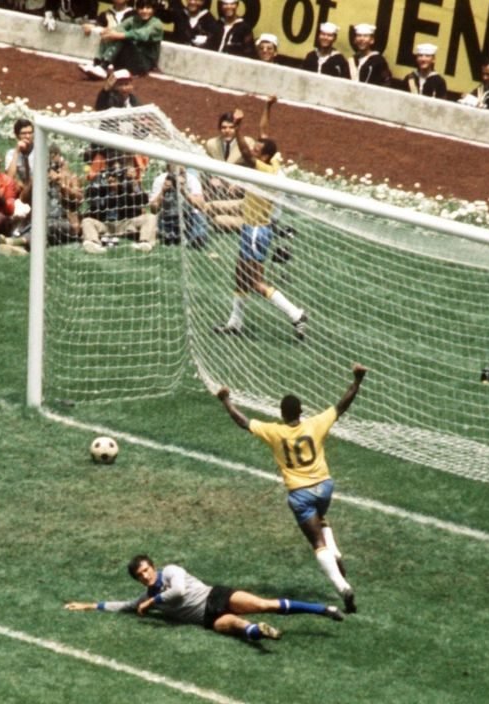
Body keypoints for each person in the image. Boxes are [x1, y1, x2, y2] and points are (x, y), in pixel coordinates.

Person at [216, 363, 369, 614]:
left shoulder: (274, 432)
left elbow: (243, 422)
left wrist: (226, 401)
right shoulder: (315, 424)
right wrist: (357, 380)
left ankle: (343, 588)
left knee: (317, 542)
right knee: (322, 519)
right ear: (301, 411)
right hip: (325, 487)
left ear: (282, 413)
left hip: (301, 495)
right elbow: (342, 405)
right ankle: (335, 552)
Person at [64, 554, 344, 642]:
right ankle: (259, 631)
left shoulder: (172, 572)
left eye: (147, 570)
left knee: (263, 604)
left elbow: (179, 592)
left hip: (216, 597)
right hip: (207, 619)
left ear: (153, 566)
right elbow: (124, 606)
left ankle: (323, 610)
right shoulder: (145, 595)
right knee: (235, 626)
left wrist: (152, 603)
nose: (146, 577)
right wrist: (90, 605)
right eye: (140, 576)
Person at [212, 102, 307, 338]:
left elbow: (245, 153)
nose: (253, 150)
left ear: (263, 156)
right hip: (250, 229)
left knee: (254, 281)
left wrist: (238, 128)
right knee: (240, 275)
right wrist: (267, 106)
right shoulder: (273, 159)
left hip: (257, 231)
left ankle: (295, 314)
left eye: (257, 150)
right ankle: (235, 322)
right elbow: (265, 132)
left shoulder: (266, 171)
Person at [80, 160, 156, 252]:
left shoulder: (128, 184)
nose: (112, 178)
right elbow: (93, 203)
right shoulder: (100, 183)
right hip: (105, 225)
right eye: (110, 175)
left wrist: (129, 187)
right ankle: (93, 243)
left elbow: (143, 201)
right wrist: (106, 191)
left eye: (115, 176)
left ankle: (145, 243)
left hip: (125, 223)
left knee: (150, 217)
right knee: (87, 221)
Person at [79, 0, 163, 78]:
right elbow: (119, 28)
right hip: (130, 58)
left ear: (154, 9)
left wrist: (117, 35)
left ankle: (104, 67)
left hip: (144, 64)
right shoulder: (134, 19)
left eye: (148, 8)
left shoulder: (156, 24)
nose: (144, 11)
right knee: (110, 34)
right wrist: (106, 31)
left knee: (121, 37)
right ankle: (96, 63)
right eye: (141, 8)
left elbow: (142, 35)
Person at [148, 163, 207, 247]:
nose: (180, 176)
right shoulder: (160, 180)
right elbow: (153, 210)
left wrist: (183, 190)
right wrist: (163, 191)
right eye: (177, 173)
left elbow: (201, 206)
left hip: (188, 216)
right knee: (168, 236)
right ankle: (170, 237)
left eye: (182, 173)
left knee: (198, 216)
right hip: (167, 217)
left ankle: (197, 239)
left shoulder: (191, 179)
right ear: (168, 171)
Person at [4, 118, 34, 199]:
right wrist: (17, 152)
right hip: (22, 190)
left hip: (37, 187)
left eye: (30, 133)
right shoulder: (11, 153)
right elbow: (9, 178)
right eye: (24, 133)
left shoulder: (39, 152)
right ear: (17, 135)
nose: (27, 136)